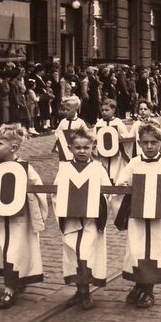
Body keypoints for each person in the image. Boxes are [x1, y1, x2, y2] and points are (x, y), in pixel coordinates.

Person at [114, 122, 161, 308]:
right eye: (145, 142)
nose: (149, 147)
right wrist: (127, 191)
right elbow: (120, 186)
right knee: (138, 251)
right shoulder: (133, 164)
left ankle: (148, 291)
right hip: (138, 218)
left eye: (153, 142)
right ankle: (140, 285)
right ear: (139, 143)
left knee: (156, 252)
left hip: (160, 220)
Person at [0, 125, 48, 309]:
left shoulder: (24, 167)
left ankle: (9, 289)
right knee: (4, 248)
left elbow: (38, 188)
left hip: (20, 220)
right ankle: (13, 282)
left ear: (14, 147)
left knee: (15, 250)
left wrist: (36, 209)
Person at [52, 128, 112, 310]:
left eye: (86, 147)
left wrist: (97, 203)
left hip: (91, 221)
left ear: (92, 147)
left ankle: (86, 292)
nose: (82, 151)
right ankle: (80, 290)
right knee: (74, 253)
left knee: (87, 252)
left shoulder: (98, 168)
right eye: (77, 147)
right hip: (71, 220)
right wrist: (65, 206)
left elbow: (108, 192)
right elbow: (56, 193)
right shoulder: (65, 169)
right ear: (70, 148)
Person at [94, 99, 131, 184]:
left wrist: (120, 140)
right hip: (103, 155)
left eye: (107, 110)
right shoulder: (98, 123)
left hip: (117, 155)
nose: (104, 112)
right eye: (102, 110)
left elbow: (126, 137)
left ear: (113, 110)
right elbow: (94, 138)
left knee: (116, 172)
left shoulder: (118, 123)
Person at [53, 96, 89, 161]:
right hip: (64, 151)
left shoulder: (80, 122)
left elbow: (87, 134)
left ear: (75, 110)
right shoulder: (63, 122)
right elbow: (57, 133)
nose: (65, 111)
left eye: (68, 110)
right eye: (64, 109)